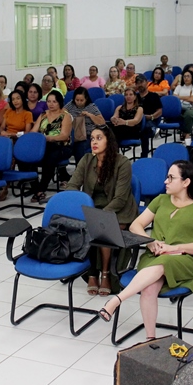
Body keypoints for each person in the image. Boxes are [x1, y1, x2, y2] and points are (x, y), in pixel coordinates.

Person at [97, 161, 193, 342]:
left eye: (171, 177)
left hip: (183, 259)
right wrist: (150, 241)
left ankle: (116, 300)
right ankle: (150, 339)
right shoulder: (161, 200)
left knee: (165, 263)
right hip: (154, 256)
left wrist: (174, 248)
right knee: (149, 289)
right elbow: (136, 225)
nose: (165, 181)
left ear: (186, 182)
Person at [65, 126, 137, 296]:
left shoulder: (122, 162)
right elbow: (72, 185)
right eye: (92, 139)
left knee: (104, 228)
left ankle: (104, 273)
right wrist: (79, 203)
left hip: (120, 208)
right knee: (83, 227)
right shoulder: (87, 159)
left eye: (99, 138)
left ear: (109, 141)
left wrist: (98, 217)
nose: (94, 142)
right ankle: (91, 272)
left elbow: (120, 198)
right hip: (93, 205)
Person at [24, 90, 72, 203]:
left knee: (49, 158)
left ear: (59, 102)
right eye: (49, 101)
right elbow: (33, 132)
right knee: (27, 157)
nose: (51, 104)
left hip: (61, 147)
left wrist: (49, 138)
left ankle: (41, 188)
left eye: (54, 102)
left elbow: (64, 136)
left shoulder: (65, 116)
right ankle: (36, 189)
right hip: (44, 145)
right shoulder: (43, 115)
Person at [65, 87, 106, 163]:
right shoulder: (71, 104)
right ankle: (62, 170)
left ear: (86, 99)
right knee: (62, 147)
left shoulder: (91, 107)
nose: (79, 102)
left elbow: (102, 122)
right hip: (72, 134)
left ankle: (81, 171)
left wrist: (89, 115)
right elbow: (62, 113)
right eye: (77, 100)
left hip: (87, 135)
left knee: (80, 148)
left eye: (81, 100)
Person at [135, 76, 163, 158]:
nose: (140, 85)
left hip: (150, 121)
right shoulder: (134, 97)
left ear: (147, 83)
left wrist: (151, 116)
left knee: (145, 131)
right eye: (138, 83)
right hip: (136, 121)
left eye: (142, 82)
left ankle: (144, 155)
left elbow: (160, 111)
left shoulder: (154, 96)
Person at [172, 70, 193, 141]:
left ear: (192, 78)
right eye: (184, 76)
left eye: (188, 76)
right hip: (180, 107)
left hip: (192, 108)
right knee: (176, 114)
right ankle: (184, 130)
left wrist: (180, 97)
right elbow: (174, 98)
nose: (186, 78)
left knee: (188, 114)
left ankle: (187, 133)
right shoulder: (179, 87)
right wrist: (188, 97)